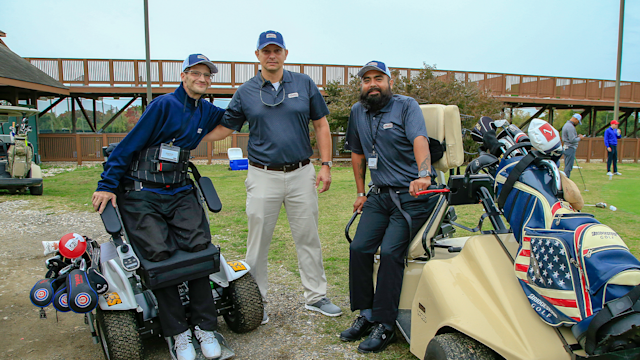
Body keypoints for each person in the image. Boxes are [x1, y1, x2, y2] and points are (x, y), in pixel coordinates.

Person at [92, 54, 225, 360]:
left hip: (180, 191)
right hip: (143, 194)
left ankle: (205, 327)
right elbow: (128, 145)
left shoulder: (205, 110)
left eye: (208, 75)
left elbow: (235, 116)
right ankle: (178, 333)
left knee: (199, 251)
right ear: (184, 75)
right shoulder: (164, 105)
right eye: (197, 73)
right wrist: (107, 184)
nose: (202, 79)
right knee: (159, 257)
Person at [205, 30, 341, 323]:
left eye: (276, 50)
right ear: (257, 56)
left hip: (301, 173)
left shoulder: (303, 83)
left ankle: (316, 296)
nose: (271, 55)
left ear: (285, 54)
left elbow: (321, 124)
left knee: (308, 238)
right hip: (262, 174)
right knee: (258, 241)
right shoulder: (246, 91)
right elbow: (226, 128)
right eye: (265, 51)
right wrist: (189, 138)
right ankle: (257, 302)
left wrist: (326, 164)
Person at [339, 60, 438, 353]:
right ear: (361, 85)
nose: (372, 84)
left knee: (392, 253)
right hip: (379, 195)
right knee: (359, 248)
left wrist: (424, 175)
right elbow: (357, 153)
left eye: (378, 78)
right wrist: (360, 191)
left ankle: (385, 324)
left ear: (390, 82)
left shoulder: (406, 106)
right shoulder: (358, 111)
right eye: (366, 79)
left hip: (411, 195)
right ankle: (366, 314)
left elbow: (419, 140)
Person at [561, 113, 584, 178]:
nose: (577, 123)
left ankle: (565, 180)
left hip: (566, 147)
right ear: (575, 119)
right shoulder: (570, 127)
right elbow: (572, 140)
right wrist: (580, 138)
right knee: (568, 167)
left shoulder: (566, 125)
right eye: (578, 122)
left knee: (567, 165)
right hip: (570, 148)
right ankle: (566, 181)